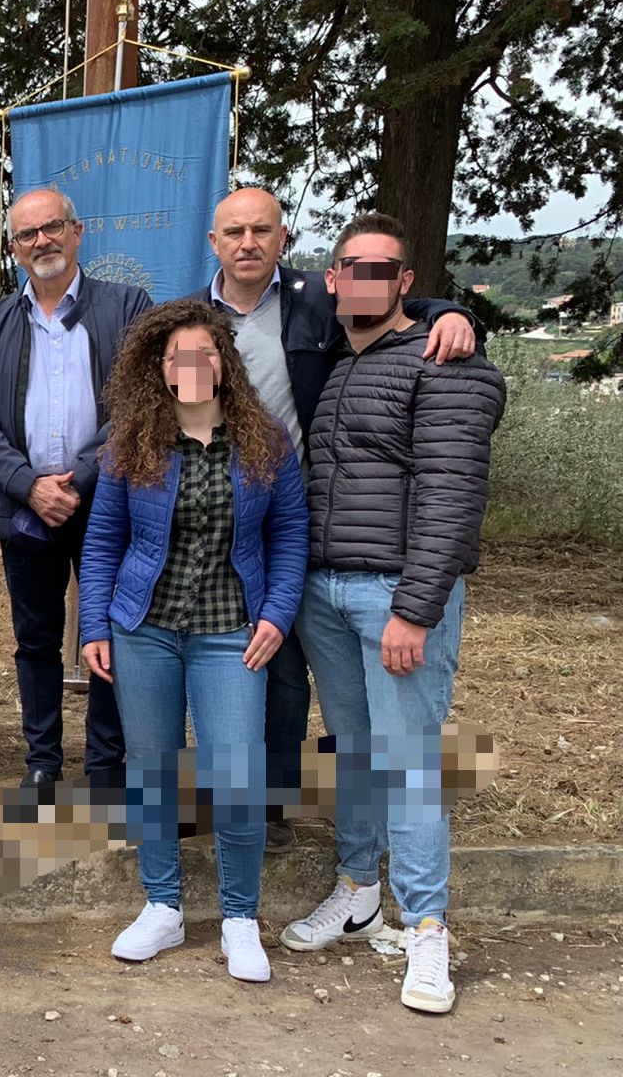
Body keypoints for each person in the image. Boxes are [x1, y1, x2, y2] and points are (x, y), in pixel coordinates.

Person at [191, 187, 480, 851]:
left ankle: (277, 802)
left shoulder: (316, 302)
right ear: (214, 243)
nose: (247, 242)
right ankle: (229, 794)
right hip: (215, 522)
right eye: (233, 231)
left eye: (261, 229)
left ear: (282, 237)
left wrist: (454, 312)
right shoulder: (190, 316)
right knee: (228, 660)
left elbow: (395, 309)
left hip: (299, 519)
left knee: (289, 671)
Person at [279, 213, 505, 1016]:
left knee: (409, 765)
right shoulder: (337, 363)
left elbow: (450, 498)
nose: (365, 280)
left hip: (397, 599)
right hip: (325, 594)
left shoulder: (450, 366)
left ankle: (428, 928)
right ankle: (357, 889)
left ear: (407, 282)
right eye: (350, 266)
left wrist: (414, 608)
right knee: (353, 753)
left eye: (385, 268)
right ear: (333, 278)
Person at [77, 302, 308, 984]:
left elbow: (291, 534)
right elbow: (102, 542)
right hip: (143, 628)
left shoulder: (264, 439)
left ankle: (240, 917)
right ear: (160, 368)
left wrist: (278, 613)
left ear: (224, 362)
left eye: (204, 354)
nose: (193, 367)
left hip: (232, 631)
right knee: (152, 771)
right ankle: (163, 906)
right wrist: (95, 624)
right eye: (178, 357)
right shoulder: (132, 440)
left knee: (236, 773)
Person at [0, 187, 152, 791]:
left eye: (52, 228)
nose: (41, 241)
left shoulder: (127, 306)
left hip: (110, 502)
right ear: (15, 248)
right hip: (26, 509)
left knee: (111, 631)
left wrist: (84, 475)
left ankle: (104, 764)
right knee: (35, 636)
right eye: (27, 234)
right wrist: (28, 485)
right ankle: (43, 761)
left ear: (77, 231)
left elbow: (144, 400)